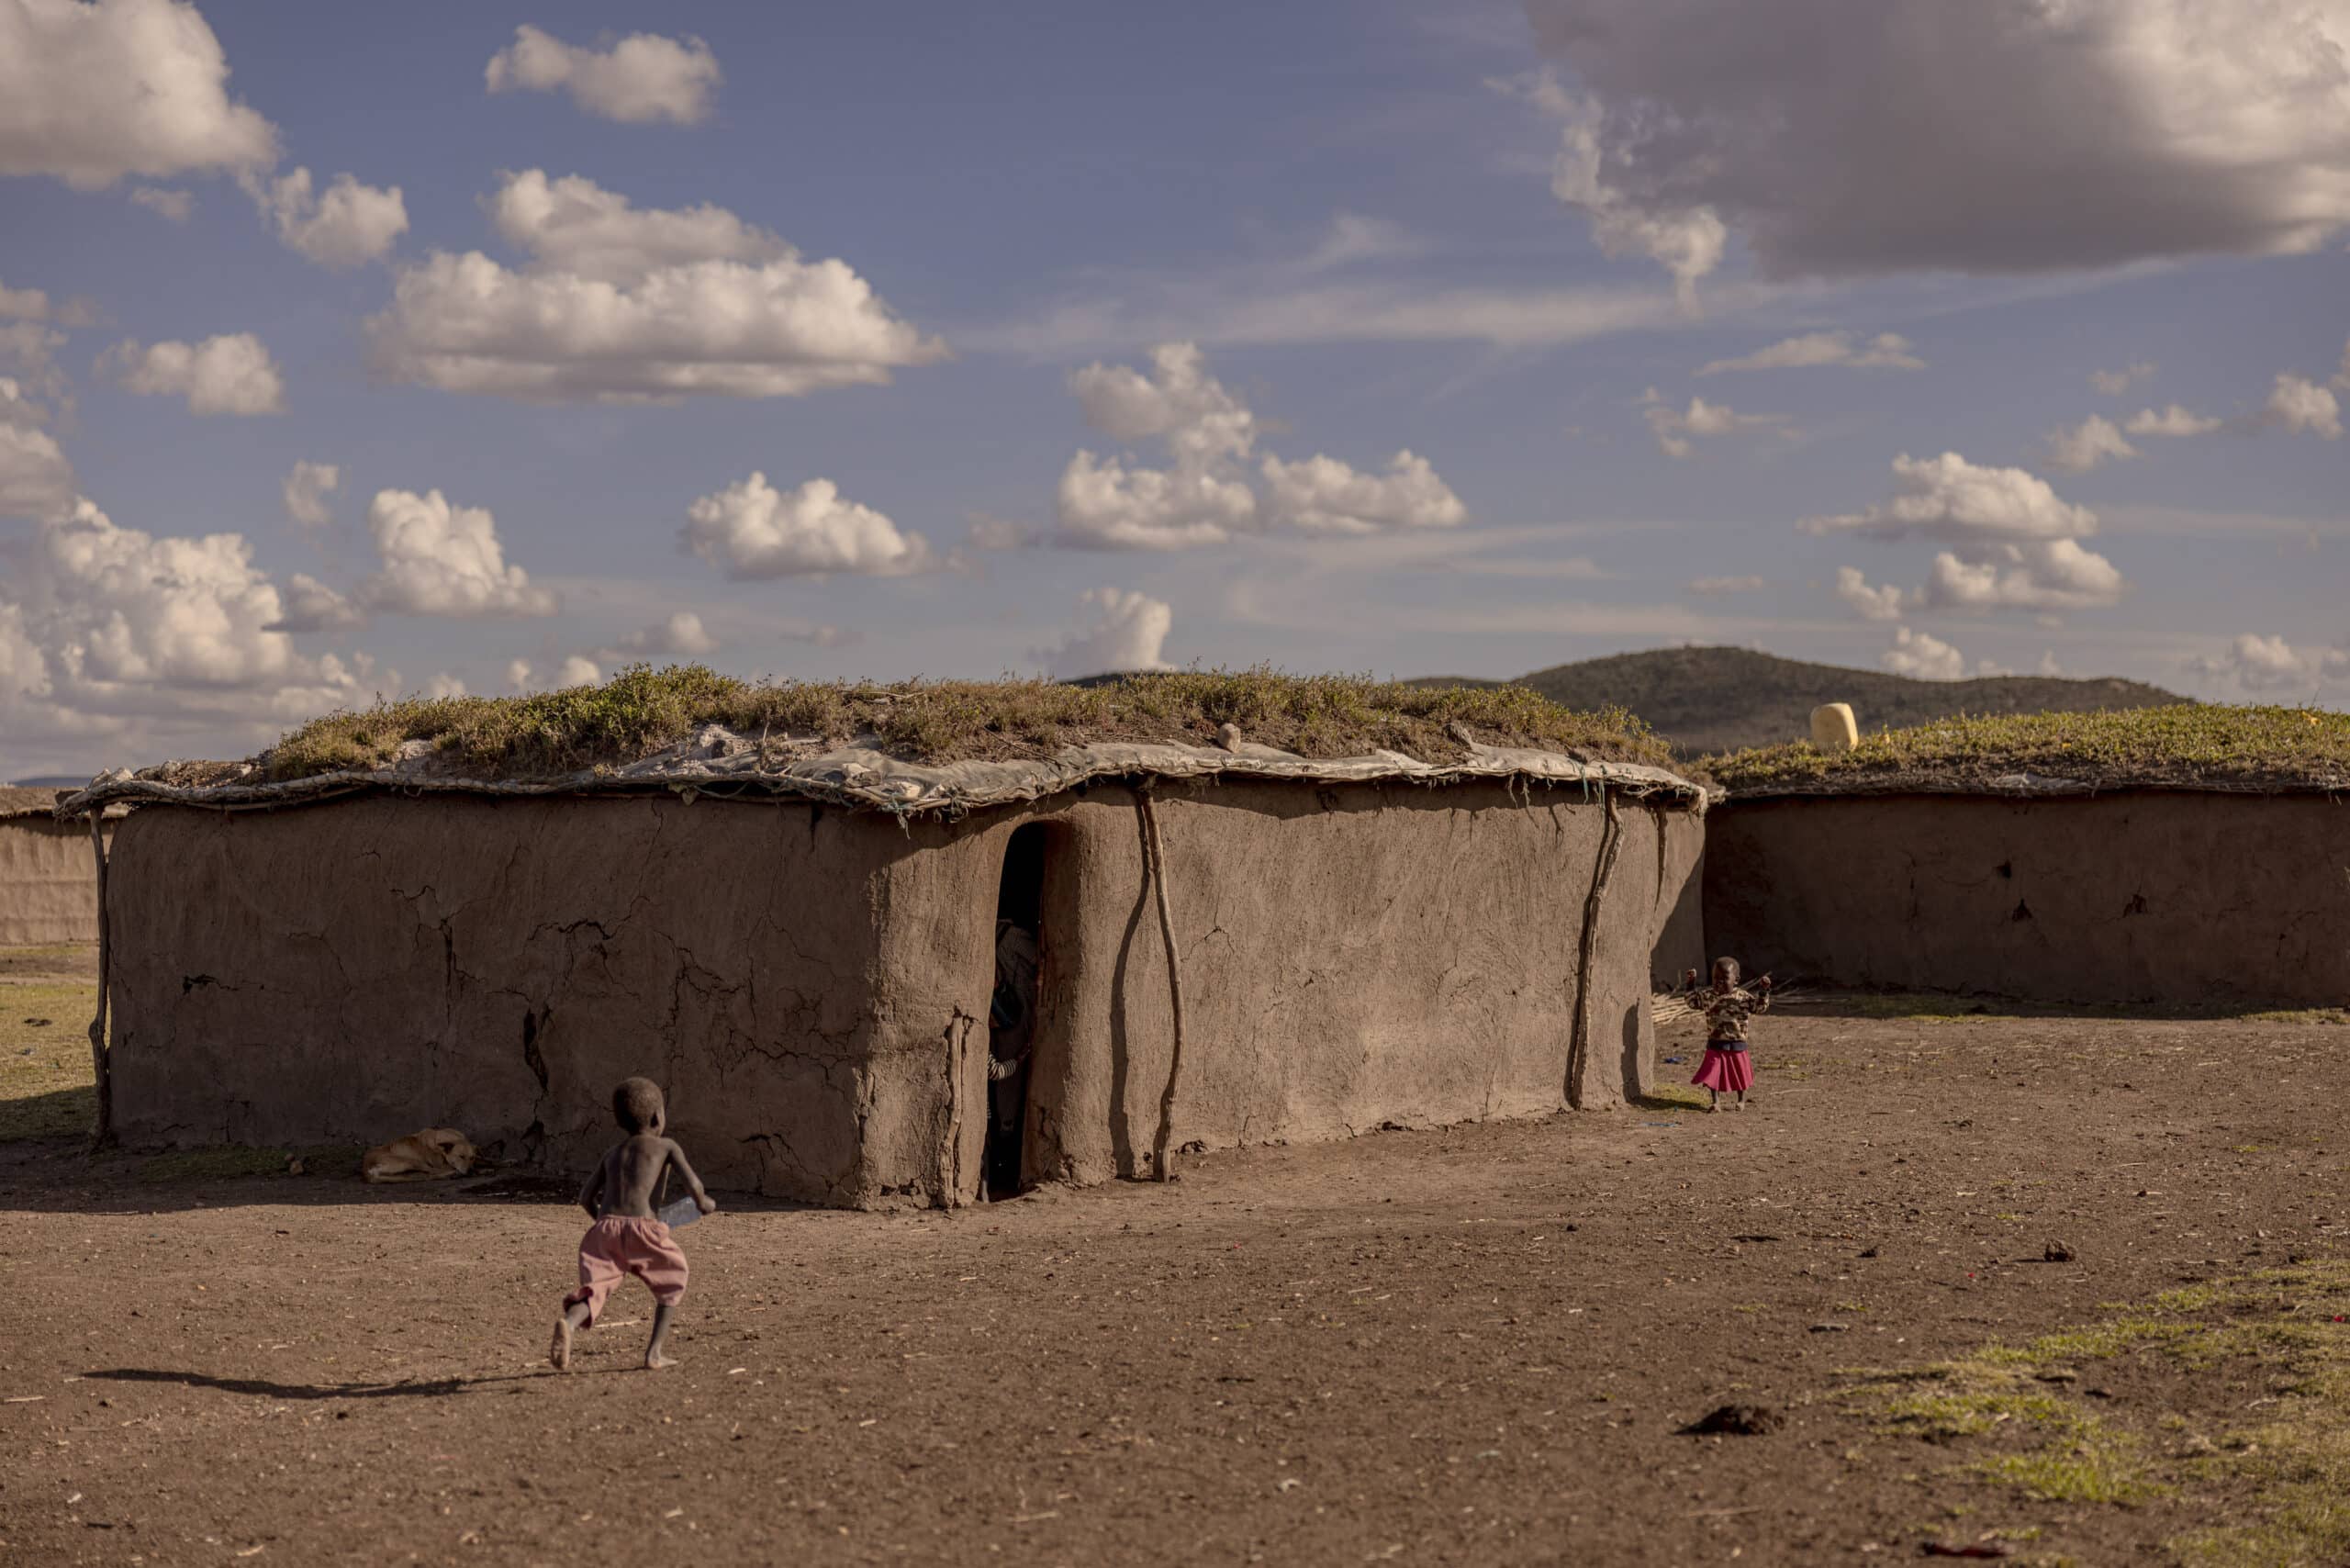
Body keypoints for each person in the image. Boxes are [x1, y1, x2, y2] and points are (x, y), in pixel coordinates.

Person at [549, 1077, 716, 1372]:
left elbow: (586, 1197)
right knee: (673, 1278)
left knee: (595, 1289)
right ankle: (654, 1353)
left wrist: (606, 1225)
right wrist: (703, 1203)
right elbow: (693, 1184)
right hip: (644, 1227)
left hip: (605, 1228)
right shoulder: (666, 1146)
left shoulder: (612, 1153)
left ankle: (569, 1325)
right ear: (657, 1117)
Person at [985, 919, 1040, 1196]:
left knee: (1002, 1095)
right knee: (1007, 1091)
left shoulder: (999, 938)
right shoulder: (1013, 937)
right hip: (1013, 1023)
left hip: (1003, 1021)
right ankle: (1003, 1168)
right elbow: (1042, 961)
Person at [1681, 958, 1771, 1113]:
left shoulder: (1743, 997)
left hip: (1737, 1043)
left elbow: (1759, 1008)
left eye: (1724, 978)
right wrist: (1690, 983)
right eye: (1716, 978)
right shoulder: (1708, 996)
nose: (1719, 982)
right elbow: (1692, 1002)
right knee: (1713, 1073)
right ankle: (1716, 1102)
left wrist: (1763, 992)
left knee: (1739, 1074)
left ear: (1736, 980)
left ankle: (1741, 1100)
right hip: (1715, 1043)